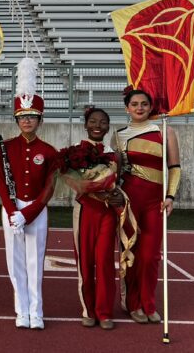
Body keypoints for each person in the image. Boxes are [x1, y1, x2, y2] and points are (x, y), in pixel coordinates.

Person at [0, 57, 56, 330]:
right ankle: (21, 310)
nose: (27, 121)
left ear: (39, 119)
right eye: (22, 117)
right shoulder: (4, 147)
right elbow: (1, 183)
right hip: (12, 209)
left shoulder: (50, 151)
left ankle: (36, 311)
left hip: (36, 210)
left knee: (35, 262)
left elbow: (49, 189)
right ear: (16, 119)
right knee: (15, 262)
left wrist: (28, 213)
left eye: (31, 117)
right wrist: (12, 212)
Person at [112, 88, 180, 324]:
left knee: (150, 256)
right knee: (129, 253)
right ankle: (132, 303)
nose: (139, 108)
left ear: (151, 107)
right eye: (134, 104)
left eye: (143, 104)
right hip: (129, 201)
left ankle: (148, 302)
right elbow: (115, 172)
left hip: (155, 203)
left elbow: (174, 167)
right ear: (127, 108)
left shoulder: (165, 131)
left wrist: (170, 196)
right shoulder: (118, 135)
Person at [72, 107, 119, 330]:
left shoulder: (115, 155)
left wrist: (115, 195)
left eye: (102, 122)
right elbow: (74, 182)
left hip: (108, 212)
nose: (97, 125)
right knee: (85, 263)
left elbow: (120, 186)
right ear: (86, 125)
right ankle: (88, 310)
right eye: (93, 121)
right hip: (85, 211)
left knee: (105, 262)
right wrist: (89, 187)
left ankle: (105, 311)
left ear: (109, 127)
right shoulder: (75, 152)